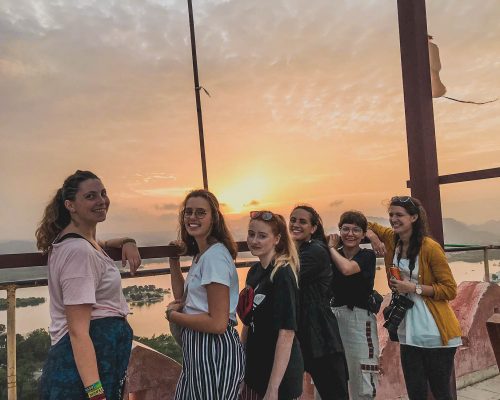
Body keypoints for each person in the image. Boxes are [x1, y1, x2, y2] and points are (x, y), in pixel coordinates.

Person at [37, 170, 141, 400]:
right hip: (82, 369)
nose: (101, 201)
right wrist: (96, 394)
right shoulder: (79, 252)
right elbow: (78, 331)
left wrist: (127, 241)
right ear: (70, 205)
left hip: (96, 359)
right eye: (91, 196)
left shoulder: (82, 242)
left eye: (103, 193)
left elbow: (100, 243)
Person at [366, 196, 462, 400]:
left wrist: (414, 287)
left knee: (441, 392)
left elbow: (450, 289)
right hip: (408, 331)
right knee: (415, 392)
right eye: (391, 215)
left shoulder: (430, 248)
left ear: (414, 217)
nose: (393, 219)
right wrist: (373, 237)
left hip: (435, 332)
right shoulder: (393, 239)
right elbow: (363, 222)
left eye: (399, 215)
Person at [165, 189, 245, 400]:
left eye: (201, 212)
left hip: (212, 349)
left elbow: (217, 323)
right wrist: (173, 261)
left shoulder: (214, 258)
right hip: (199, 347)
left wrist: (172, 316)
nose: (192, 217)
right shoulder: (203, 254)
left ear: (214, 219)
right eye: (188, 212)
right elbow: (183, 297)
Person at [240, 211, 304, 400]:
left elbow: (287, 333)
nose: (254, 240)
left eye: (262, 236)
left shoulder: (282, 274)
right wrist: (242, 368)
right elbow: (247, 322)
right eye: (251, 234)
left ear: (277, 239)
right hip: (255, 371)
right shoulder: (254, 272)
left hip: (279, 378)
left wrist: (273, 388)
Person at [289, 205, 349, 400]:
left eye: (302, 221)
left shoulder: (315, 251)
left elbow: (286, 278)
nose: (296, 224)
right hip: (308, 333)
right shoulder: (297, 250)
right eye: (293, 220)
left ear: (313, 228)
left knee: (334, 393)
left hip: (320, 335)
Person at [327, 211, 379, 399]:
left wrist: (331, 249)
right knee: (331, 374)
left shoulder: (367, 256)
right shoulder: (332, 255)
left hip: (359, 319)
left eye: (356, 230)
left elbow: (347, 269)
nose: (350, 234)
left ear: (363, 234)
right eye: (346, 229)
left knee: (362, 372)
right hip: (334, 316)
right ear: (339, 230)